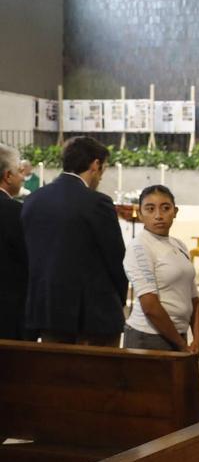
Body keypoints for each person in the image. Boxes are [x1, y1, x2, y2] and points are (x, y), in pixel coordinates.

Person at [21, 136, 126, 346]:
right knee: (97, 376)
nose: (101, 177)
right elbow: (115, 257)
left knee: (55, 376)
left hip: (48, 313)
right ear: (95, 165)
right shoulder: (97, 203)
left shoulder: (33, 200)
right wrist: (120, 300)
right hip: (93, 317)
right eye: (103, 169)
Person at [122, 185, 199, 352]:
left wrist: (197, 340)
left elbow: (193, 298)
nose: (158, 216)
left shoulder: (178, 244)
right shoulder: (140, 246)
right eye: (150, 209)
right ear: (141, 214)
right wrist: (181, 345)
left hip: (178, 335)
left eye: (165, 208)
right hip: (149, 336)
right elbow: (150, 306)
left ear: (175, 211)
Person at [0, 145, 28, 340]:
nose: (23, 177)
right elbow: (27, 260)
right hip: (8, 310)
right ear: (8, 175)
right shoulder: (14, 212)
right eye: (19, 171)